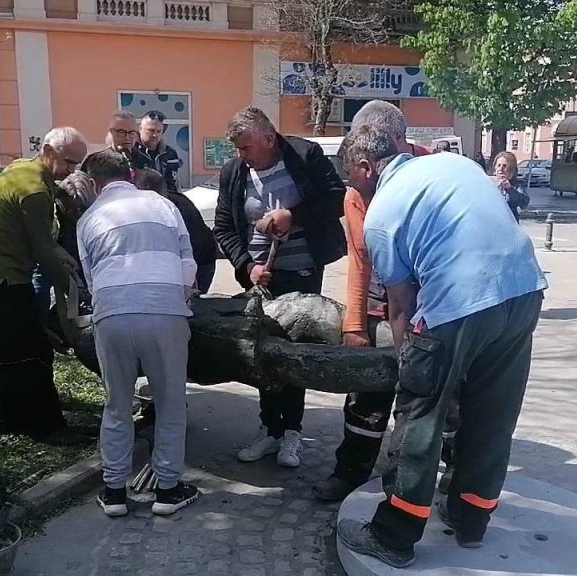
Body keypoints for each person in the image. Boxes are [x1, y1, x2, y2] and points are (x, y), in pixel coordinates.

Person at [335, 125, 547, 568]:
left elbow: (401, 305)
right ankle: (471, 519)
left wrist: (409, 364)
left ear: (366, 167)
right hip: (524, 289)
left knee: (420, 414)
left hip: (460, 300)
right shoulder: (454, 164)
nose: (351, 190)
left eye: (350, 179)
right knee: (492, 413)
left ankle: (393, 535)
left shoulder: (381, 216)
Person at [213, 106, 346, 468]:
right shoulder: (234, 173)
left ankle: (292, 432)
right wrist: (248, 266)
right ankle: (269, 428)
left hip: (302, 273)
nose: (242, 155)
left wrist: (293, 216)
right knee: (261, 352)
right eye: (238, 149)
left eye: (247, 148)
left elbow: (336, 198)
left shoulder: (304, 156)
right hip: (262, 280)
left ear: (269, 139)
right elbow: (224, 227)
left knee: (293, 351)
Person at [312, 100, 429, 502]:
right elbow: (360, 259)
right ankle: (350, 472)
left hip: (428, 308)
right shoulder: (356, 191)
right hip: (382, 306)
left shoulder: (429, 172)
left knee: (426, 401)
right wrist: (354, 324)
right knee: (366, 395)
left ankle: (413, 482)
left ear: (396, 140)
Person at [77, 151, 201, 517]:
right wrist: (177, 299)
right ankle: (168, 490)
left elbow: (91, 279)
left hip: (112, 315)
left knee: (117, 404)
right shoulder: (164, 206)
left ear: (93, 183)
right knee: (170, 403)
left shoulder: (88, 219)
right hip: (164, 312)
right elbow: (188, 264)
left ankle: (114, 491)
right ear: (130, 175)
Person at [0, 126, 91, 445]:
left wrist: (61, 255)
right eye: (68, 162)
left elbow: (43, 240)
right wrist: (75, 293)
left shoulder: (23, 168)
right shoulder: (34, 191)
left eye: (76, 164)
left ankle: (12, 420)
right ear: (47, 151)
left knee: (12, 351)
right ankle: (46, 426)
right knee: (33, 351)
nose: (71, 170)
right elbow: (42, 251)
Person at [135, 168, 217, 292]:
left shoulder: (173, 208)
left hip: (200, 261)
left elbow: (189, 252)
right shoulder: (173, 202)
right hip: (198, 259)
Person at [135, 112, 184, 194]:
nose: (155, 135)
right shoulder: (133, 151)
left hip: (163, 198)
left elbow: (174, 184)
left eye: (159, 131)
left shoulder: (170, 154)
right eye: (151, 130)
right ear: (140, 129)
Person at [490, 151, 530, 221]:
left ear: (511, 169)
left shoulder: (517, 184)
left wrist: (509, 188)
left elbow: (524, 203)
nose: (501, 169)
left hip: (509, 223)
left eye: (505, 166)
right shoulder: (489, 182)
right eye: (498, 165)